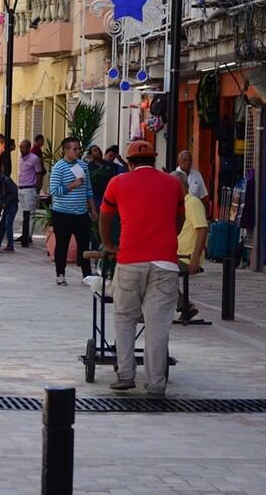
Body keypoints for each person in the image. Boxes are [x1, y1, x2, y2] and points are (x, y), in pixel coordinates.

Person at [99, 140, 184, 396]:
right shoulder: (172, 183)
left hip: (129, 260)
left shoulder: (118, 183)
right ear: (154, 160)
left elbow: (105, 215)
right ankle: (156, 384)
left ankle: (125, 375)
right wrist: (169, 238)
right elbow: (180, 218)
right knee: (158, 326)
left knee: (124, 318)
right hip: (165, 263)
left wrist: (108, 244)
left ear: (129, 162)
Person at [49, 137, 96, 285]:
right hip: (62, 213)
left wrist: (93, 209)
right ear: (66, 150)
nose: (78, 152)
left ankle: (86, 275)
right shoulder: (59, 167)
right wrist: (73, 185)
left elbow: (88, 189)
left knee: (84, 245)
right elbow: (54, 191)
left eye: (78, 149)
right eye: (74, 149)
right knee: (62, 244)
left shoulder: (83, 166)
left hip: (81, 213)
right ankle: (60, 274)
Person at [174, 171, 208, 321]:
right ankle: (184, 305)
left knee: (159, 272)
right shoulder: (179, 204)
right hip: (177, 255)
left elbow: (203, 229)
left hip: (187, 257)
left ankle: (185, 305)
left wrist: (195, 257)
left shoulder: (193, 203)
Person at [16, 139, 43, 247]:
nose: (21, 149)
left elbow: (39, 173)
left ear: (28, 147)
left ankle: (28, 236)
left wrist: (37, 188)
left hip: (30, 188)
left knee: (30, 214)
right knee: (24, 213)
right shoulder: (22, 159)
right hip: (21, 188)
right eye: (20, 147)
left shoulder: (34, 159)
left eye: (23, 147)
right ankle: (24, 234)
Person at [0, 170, 19, 252]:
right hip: (7, 205)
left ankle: (10, 245)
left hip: (12, 205)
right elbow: (0, 197)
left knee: (8, 224)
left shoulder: (6, 180)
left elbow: (14, 193)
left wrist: (5, 202)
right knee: (2, 225)